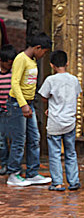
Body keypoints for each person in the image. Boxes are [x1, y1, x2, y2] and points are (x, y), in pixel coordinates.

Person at [6, 32, 52, 187]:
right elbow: (15, 83)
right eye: (43, 52)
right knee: (19, 140)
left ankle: (32, 173)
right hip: (18, 104)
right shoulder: (21, 59)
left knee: (34, 138)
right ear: (38, 47)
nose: (43, 56)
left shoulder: (32, 61)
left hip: (29, 104)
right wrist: (23, 104)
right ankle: (13, 174)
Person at [38, 50, 81, 191]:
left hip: (55, 122)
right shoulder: (74, 79)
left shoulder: (50, 80)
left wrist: (51, 106)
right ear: (67, 63)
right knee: (71, 152)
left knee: (55, 153)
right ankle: (73, 181)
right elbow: (76, 95)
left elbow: (44, 96)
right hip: (70, 122)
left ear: (52, 65)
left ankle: (57, 183)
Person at [0, 44, 17, 175]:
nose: (10, 66)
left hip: (12, 110)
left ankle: (12, 164)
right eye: (8, 63)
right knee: (1, 141)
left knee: (13, 139)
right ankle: (4, 163)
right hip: (1, 111)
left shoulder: (14, 75)